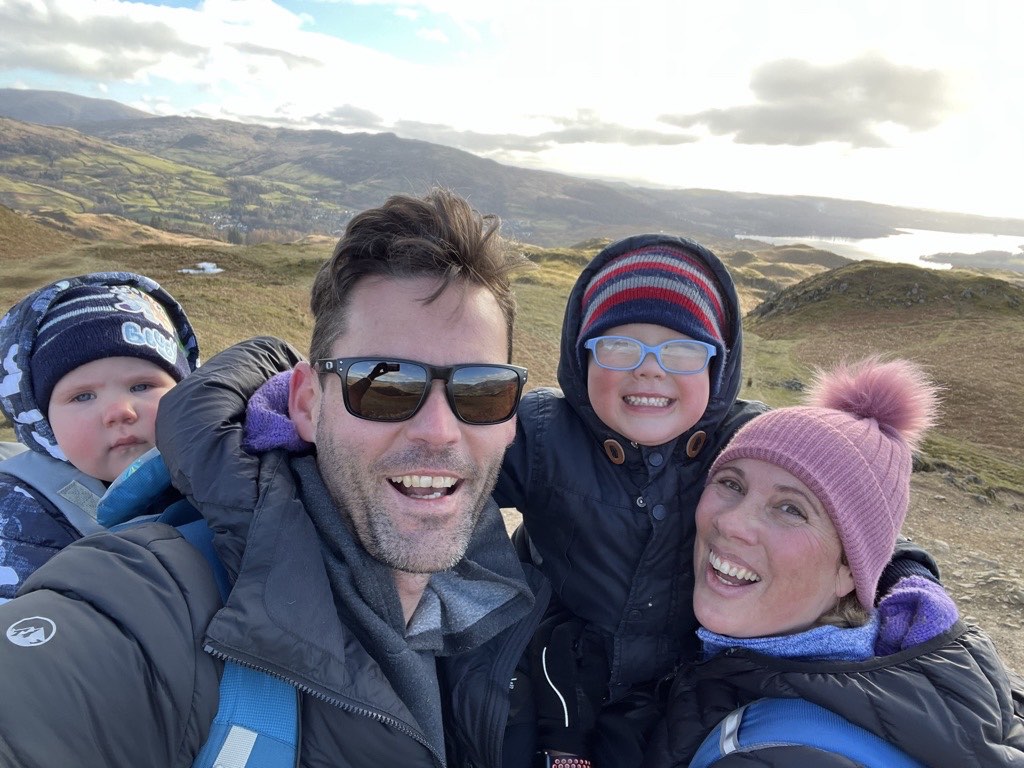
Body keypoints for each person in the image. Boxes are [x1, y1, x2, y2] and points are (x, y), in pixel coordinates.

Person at [0, 189, 549, 767]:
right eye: (384, 384)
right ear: (308, 403)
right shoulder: (149, 606)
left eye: (482, 389)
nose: (438, 431)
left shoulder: (517, 610)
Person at [490, 236, 939, 765]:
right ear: (580, 355)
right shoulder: (544, 433)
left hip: (681, 684)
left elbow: (853, 509)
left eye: (682, 351)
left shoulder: (747, 439)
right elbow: (458, 471)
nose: (649, 369)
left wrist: (907, 579)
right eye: (617, 346)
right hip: (561, 675)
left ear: (718, 367)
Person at [642, 357, 1024, 767]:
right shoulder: (916, 673)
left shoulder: (775, 752)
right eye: (731, 483)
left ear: (850, 570)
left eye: (791, 509)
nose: (732, 522)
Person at [0, 271, 200, 602]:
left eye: (142, 386)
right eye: (83, 396)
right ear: (42, 421)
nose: (119, 411)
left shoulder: (224, 464)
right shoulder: (18, 517)